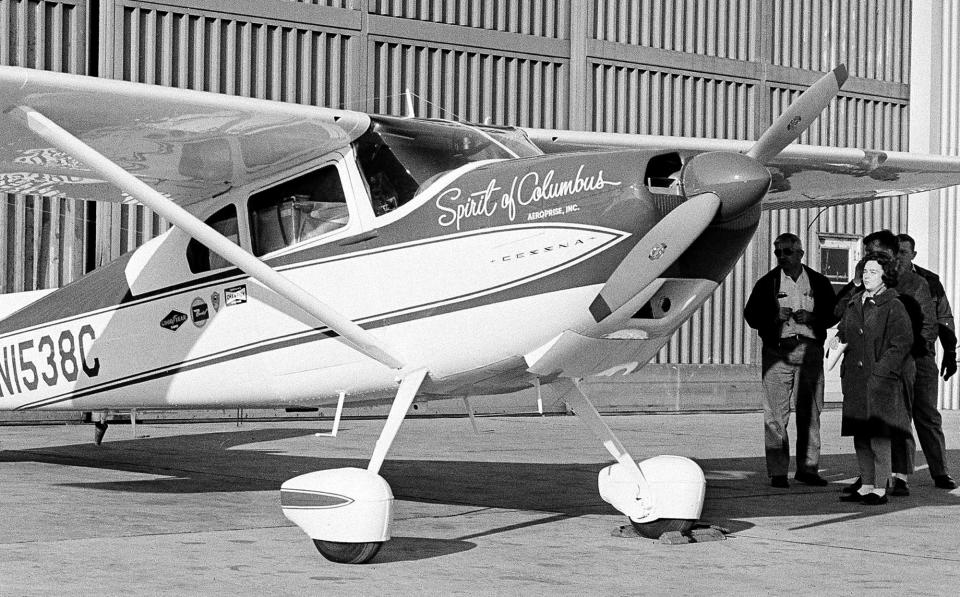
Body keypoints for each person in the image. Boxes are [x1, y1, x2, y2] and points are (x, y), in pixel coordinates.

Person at [835, 230, 936, 496]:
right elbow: (841, 316)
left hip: (902, 363)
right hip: (867, 364)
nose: (870, 257)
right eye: (867, 253)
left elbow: (927, 325)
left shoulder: (915, 284)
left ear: (890, 253)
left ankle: (899, 475)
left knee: (897, 420)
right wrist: (856, 284)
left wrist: (906, 360)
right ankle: (871, 478)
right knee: (868, 423)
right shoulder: (864, 283)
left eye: (875, 252)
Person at [744, 233, 839, 488]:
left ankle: (808, 469)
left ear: (800, 254)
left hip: (809, 350)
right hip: (778, 351)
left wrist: (812, 317)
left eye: (787, 251)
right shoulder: (768, 283)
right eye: (778, 252)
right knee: (775, 413)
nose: (782, 257)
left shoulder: (818, 281)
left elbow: (833, 314)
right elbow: (751, 315)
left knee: (810, 411)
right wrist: (774, 315)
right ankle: (777, 471)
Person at [836, 253, 914, 504]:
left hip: (879, 381)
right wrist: (837, 338)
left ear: (885, 276)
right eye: (865, 271)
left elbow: (901, 343)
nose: (867, 276)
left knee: (879, 436)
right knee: (861, 434)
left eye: (873, 272)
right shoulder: (854, 302)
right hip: (856, 380)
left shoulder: (894, 305)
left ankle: (880, 486)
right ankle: (866, 483)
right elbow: (844, 328)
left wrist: (882, 371)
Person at [896, 233, 958, 490]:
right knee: (900, 416)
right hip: (897, 357)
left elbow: (944, 318)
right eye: (895, 251)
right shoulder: (885, 278)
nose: (899, 256)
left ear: (913, 255)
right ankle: (900, 476)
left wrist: (950, 353)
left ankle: (940, 471)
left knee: (928, 415)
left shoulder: (930, 281)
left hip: (923, 357)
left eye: (903, 252)